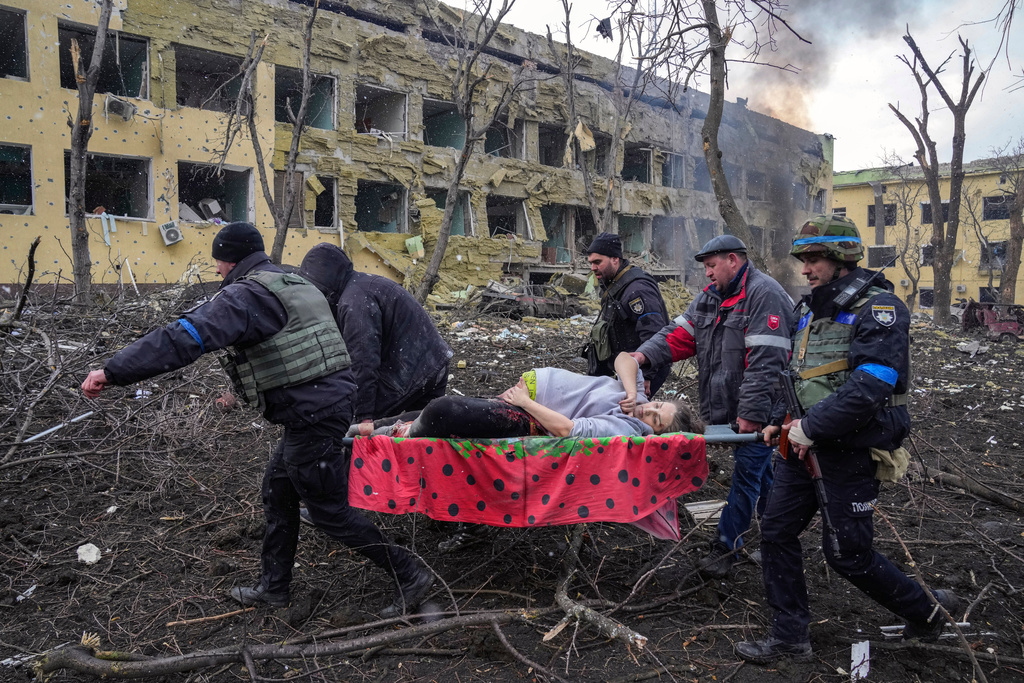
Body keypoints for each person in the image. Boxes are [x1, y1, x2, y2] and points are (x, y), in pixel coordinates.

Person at [81, 222, 433, 617]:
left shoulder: (246, 295)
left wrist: (113, 371)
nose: (216, 270)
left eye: (218, 261)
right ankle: (274, 587)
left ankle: (409, 574)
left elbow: (183, 337)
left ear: (229, 260)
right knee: (278, 490)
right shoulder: (290, 281)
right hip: (322, 405)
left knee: (328, 511)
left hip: (314, 413)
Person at [735, 215, 959, 663]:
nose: (805, 269)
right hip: (800, 448)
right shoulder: (808, 311)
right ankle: (789, 638)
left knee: (847, 555)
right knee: (775, 532)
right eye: (803, 260)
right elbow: (799, 377)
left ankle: (928, 613)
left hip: (849, 451)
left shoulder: (879, 309)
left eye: (815, 259)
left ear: (842, 258)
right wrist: (780, 421)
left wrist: (811, 427)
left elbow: (872, 384)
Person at [631, 234, 793, 578]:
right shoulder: (709, 298)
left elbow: (767, 362)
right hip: (732, 407)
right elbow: (678, 335)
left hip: (763, 409)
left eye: (711, 266)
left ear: (733, 260)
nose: (707, 273)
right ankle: (778, 534)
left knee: (747, 474)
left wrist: (751, 414)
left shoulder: (765, 295)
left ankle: (726, 547)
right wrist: (642, 357)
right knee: (760, 471)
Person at [360, 352, 699, 440]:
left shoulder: (625, 429)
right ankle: (365, 428)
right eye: (656, 406)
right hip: (527, 396)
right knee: (441, 410)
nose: (648, 412)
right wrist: (632, 390)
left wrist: (525, 402)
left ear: (655, 434)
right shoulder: (636, 399)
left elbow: (567, 429)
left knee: (442, 410)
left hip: (530, 415)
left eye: (655, 420)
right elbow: (625, 359)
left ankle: (389, 434)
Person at [298, 243, 453, 426]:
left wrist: (363, 416)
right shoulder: (360, 286)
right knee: (423, 432)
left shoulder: (354, 302)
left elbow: (363, 360)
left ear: (324, 287)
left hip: (412, 371)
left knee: (353, 428)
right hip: (433, 362)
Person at [582, 232, 671, 396]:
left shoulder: (637, 289)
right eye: (591, 263)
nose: (593, 268)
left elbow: (653, 333)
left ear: (615, 259)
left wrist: (646, 375)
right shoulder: (614, 284)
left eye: (598, 262)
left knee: (630, 410)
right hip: (626, 368)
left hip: (641, 370)